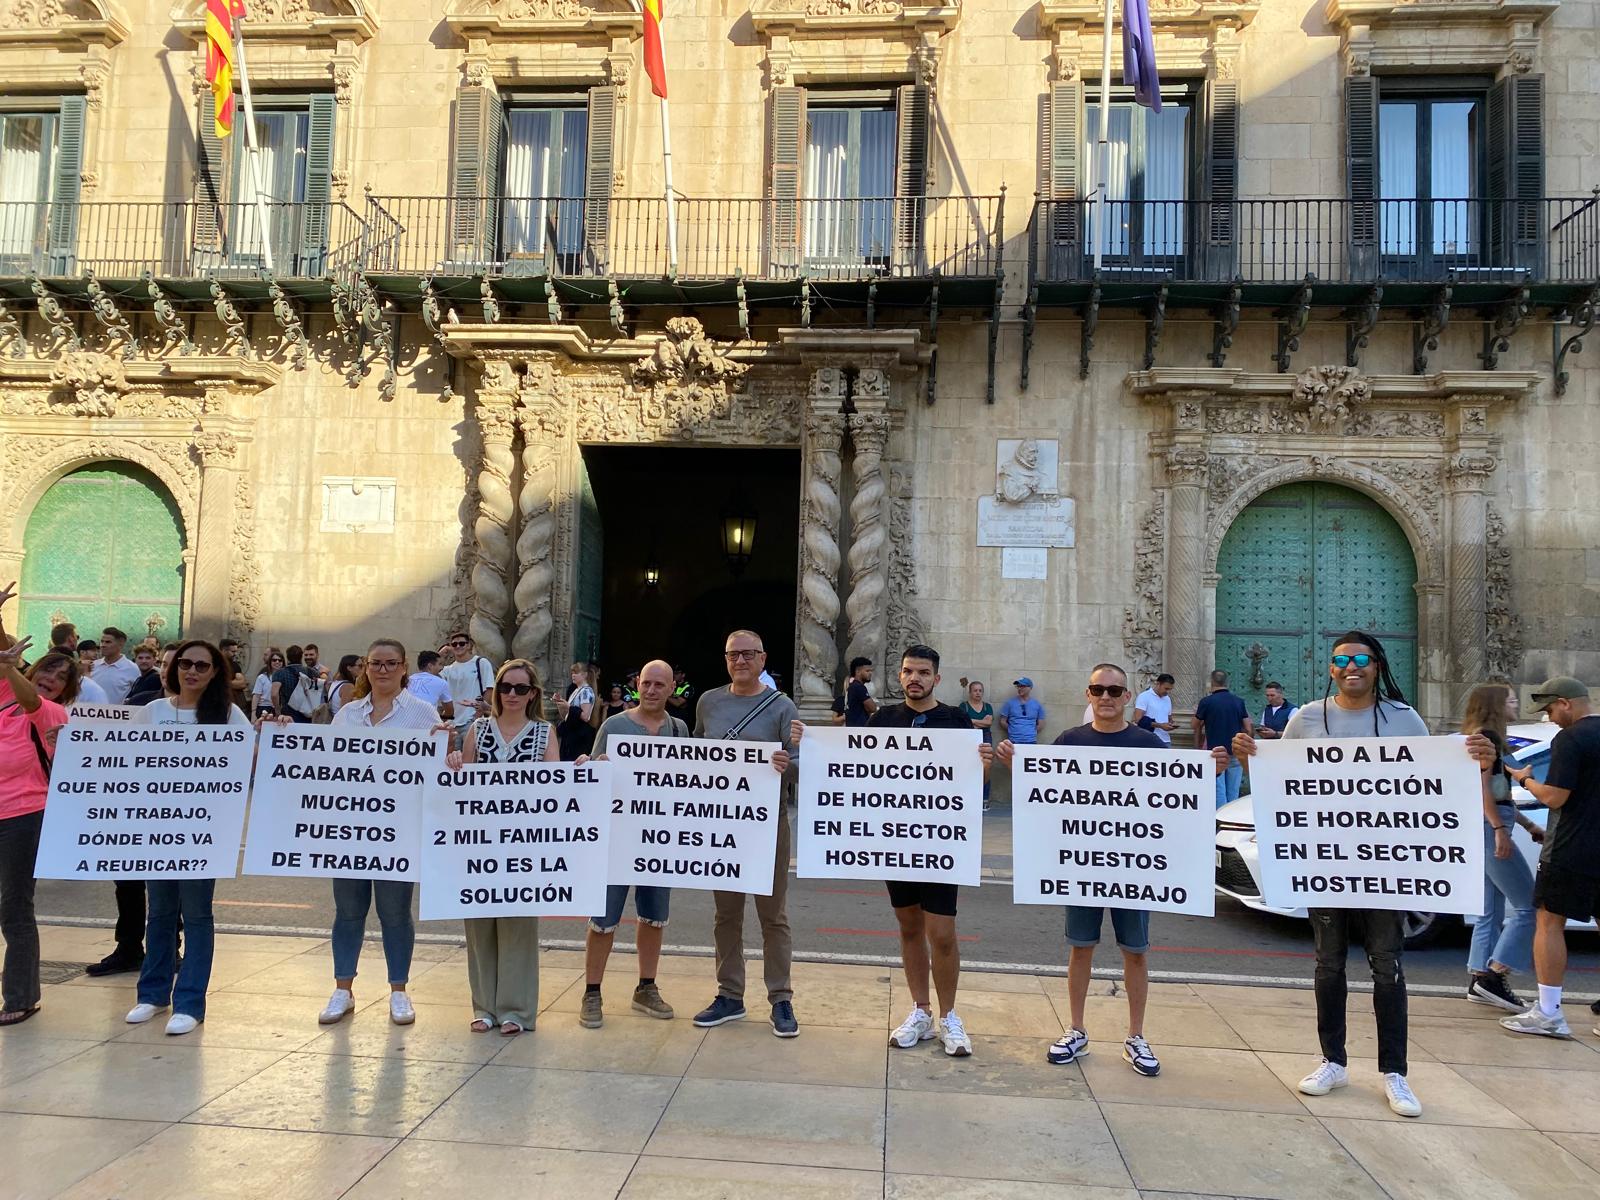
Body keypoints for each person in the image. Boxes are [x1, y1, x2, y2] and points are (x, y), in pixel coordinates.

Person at [1230, 631, 1494, 1118]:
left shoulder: (1403, 718)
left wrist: (1477, 762)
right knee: (1327, 964)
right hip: (1326, 863)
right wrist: (1251, 758)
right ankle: (1333, 1060)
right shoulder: (1307, 717)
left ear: (1377, 665)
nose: (1352, 666)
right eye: (1342, 660)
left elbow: (1433, 781)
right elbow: (1282, 784)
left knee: (1386, 965)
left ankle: (1395, 1072)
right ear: (1331, 668)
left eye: (1361, 659)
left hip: (1385, 866)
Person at [1000, 662, 1169, 1078]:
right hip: (1082, 866)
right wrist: (1014, 765)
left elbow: (1177, 798)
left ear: (1128, 697)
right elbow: (1043, 793)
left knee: (1135, 952)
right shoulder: (1069, 740)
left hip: (1132, 868)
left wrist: (1212, 772)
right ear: (1088, 695)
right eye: (1099, 690)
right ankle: (1076, 1029)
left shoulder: (1149, 744)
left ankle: (1136, 1036)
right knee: (1080, 948)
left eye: (1115, 691)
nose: (1106, 698)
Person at [856, 645, 991, 1057]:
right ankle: (921, 1011)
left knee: (943, 934)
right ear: (900, 676)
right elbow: (855, 766)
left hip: (940, 841)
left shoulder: (955, 720)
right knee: (908, 925)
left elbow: (971, 778)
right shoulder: (884, 720)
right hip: (896, 840)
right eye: (908, 671)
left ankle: (950, 1016)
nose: (915, 678)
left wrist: (986, 764)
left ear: (937, 678)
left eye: (923, 672)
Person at [124, 639, 255, 1036]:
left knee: (197, 915)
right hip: (158, 829)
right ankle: (152, 994)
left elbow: (252, 760)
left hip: (205, 832)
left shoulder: (228, 715)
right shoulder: (152, 712)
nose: (192, 671)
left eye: (202, 665)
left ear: (215, 672)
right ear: (174, 668)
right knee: (160, 912)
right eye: (185, 664)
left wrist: (274, 732)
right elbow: (124, 762)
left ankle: (191, 1001)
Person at [321, 639, 442, 1028]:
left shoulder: (424, 715)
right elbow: (324, 765)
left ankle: (399, 991)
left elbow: (434, 774)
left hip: (399, 831)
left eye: (391, 663)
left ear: (404, 667)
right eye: (375, 663)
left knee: (394, 912)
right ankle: (343, 988)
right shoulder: (346, 716)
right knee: (348, 911)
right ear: (364, 668)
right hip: (350, 831)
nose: (383, 670)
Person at [692, 629, 798, 1037]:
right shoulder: (709, 702)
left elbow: (802, 763)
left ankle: (781, 998)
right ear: (725, 659)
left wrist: (783, 763)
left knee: (773, 916)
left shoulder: (781, 706)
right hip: (723, 824)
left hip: (768, 823)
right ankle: (730, 993)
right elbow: (697, 755)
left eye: (749, 654)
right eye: (733, 654)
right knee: (727, 914)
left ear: (763, 658)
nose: (741, 661)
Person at [444, 658, 558, 1036]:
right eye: (505, 687)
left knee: (518, 926)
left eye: (520, 688)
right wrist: (454, 758)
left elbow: (555, 787)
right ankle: (484, 1007)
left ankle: (516, 1010)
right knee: (479, 926)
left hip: (523, 845)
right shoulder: (478, 729)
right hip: (479, 841)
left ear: (533, 694)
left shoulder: (545, 733)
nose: (511, 694)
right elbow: (464, 782)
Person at [575, 660, 684, 1029]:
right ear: (637, 685)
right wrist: (593, 764)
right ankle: (592, 991)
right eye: (646, 683)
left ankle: (646, 986)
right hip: (616, 837)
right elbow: (594, 772)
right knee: (603, 919)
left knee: (654, 916)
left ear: (672, 689)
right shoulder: (614, 725)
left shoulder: (679, 729)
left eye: (659, 684)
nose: (652, 690)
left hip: (658, 839)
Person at [1499, 676, 1599, 1040]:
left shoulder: (1571, 739)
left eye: (1551, 709)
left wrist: (1524, 780)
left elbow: (1555, 797)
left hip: (1571, 846)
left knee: (1548, 921)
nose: (1551, 718)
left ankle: (1549, 1012)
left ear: (1566, 703)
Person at [1, 620, 68, 1027]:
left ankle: (22, 997)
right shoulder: (6, 690)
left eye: (62, 678)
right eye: (48, 670)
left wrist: (9, 669)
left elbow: (30, 702)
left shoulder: (51, 712)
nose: (52, 680)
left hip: (24, 815)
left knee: (14, 907)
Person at [1458, 684, 1540, 1012]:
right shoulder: (1487, 738)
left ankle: (1479, 980)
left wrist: (1528, 825)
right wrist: (1499, 830)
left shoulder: (1485, 737)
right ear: (1494, 705)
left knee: (1488, 910)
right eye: (1510, 699)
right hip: (1490, 825)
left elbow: (1498, 791)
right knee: (1528, 905)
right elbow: (1483, 792)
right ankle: (1494, 976)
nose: (1516, 702)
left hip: (1491, 823)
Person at [1195, 670, 1252, 807]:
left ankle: (1220, 820)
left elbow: (1195, 724)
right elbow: (1248, 727)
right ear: (1227, 683)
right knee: (1233, 790)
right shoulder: (1238, 702)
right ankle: (1232, 819)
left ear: (1212, 683)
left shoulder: (1206, 702)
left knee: (1218, 789)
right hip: (1235, 750)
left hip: (1215, 752)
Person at [441, 631, 494, 742]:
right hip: (452, 723)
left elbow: (489, 689)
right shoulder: (447, 670)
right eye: (454, 644)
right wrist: (440, 655)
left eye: (462, 643)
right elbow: (429, 675)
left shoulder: (481, 663)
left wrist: (477, 715)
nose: (458, 646)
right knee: (452, 758)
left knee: (471, 758)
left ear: (469, 645)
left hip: (472, 721)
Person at [554, 661, 598, 761]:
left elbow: (585, 716)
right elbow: (566, 716)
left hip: (579, 737)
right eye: (572, 673)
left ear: (585, 675)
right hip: (570, 735)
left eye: (576, 673)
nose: (573, 675)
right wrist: (560, 703)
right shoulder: (576, 690)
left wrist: (568, 706)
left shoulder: (587, 691)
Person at [271, 644, 318, 723]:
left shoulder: (280, 673)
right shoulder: (312, 671)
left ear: (287, 657)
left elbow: (274, 694)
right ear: (301, 657)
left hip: (288, 713)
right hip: (308, 712)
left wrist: (277, 711)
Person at [92, 627, 140, 703]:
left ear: (120, 645)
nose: (102, 645)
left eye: (108, 642)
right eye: (102, 641)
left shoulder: (132, 669)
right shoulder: (93, 666)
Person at [407, 650, 455, 720]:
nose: (442, 668)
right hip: (427, 724)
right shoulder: (441, 682)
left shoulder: (408, 680)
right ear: (430, 666)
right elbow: (449, 710)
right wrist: (441, 719)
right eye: (440, 664)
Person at [1132, 673, 1177, 746]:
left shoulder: (1168, 699)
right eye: (1166, 688)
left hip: (1165, 740)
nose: (1168, 692)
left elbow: (1168, 718)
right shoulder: (1144, 696)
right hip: (1148, 739)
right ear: (1158, 684)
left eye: (1170, 689)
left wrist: (1171, 724)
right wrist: (1161, 725)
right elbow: (1137, 720)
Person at [998, 678, 1045, 745]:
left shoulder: (1037, 705)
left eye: (1022, 686)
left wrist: (1031, 732)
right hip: (1013, 740)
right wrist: (1012, 730)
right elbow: (1002, 721)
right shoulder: (1009, 703)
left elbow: (1041, 723)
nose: (1020, 688)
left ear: (1030, 688)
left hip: (1031, 741)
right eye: (1018, 686)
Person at [843, 657, 878, 727]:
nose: (870, 673)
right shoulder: (859, 687)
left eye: (871, 671)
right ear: (858, 671)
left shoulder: (852, 686)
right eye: (867, 671)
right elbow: (873, 708)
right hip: (859, 728)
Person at [252, 649, 283, 718]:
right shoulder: (262, 677)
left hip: (280, 709)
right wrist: (253, 713)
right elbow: (256, 695)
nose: (277, 662)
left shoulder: (285, 677)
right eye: (274, 660)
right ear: (270, 662)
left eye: (280, 660)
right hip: (264, 708)